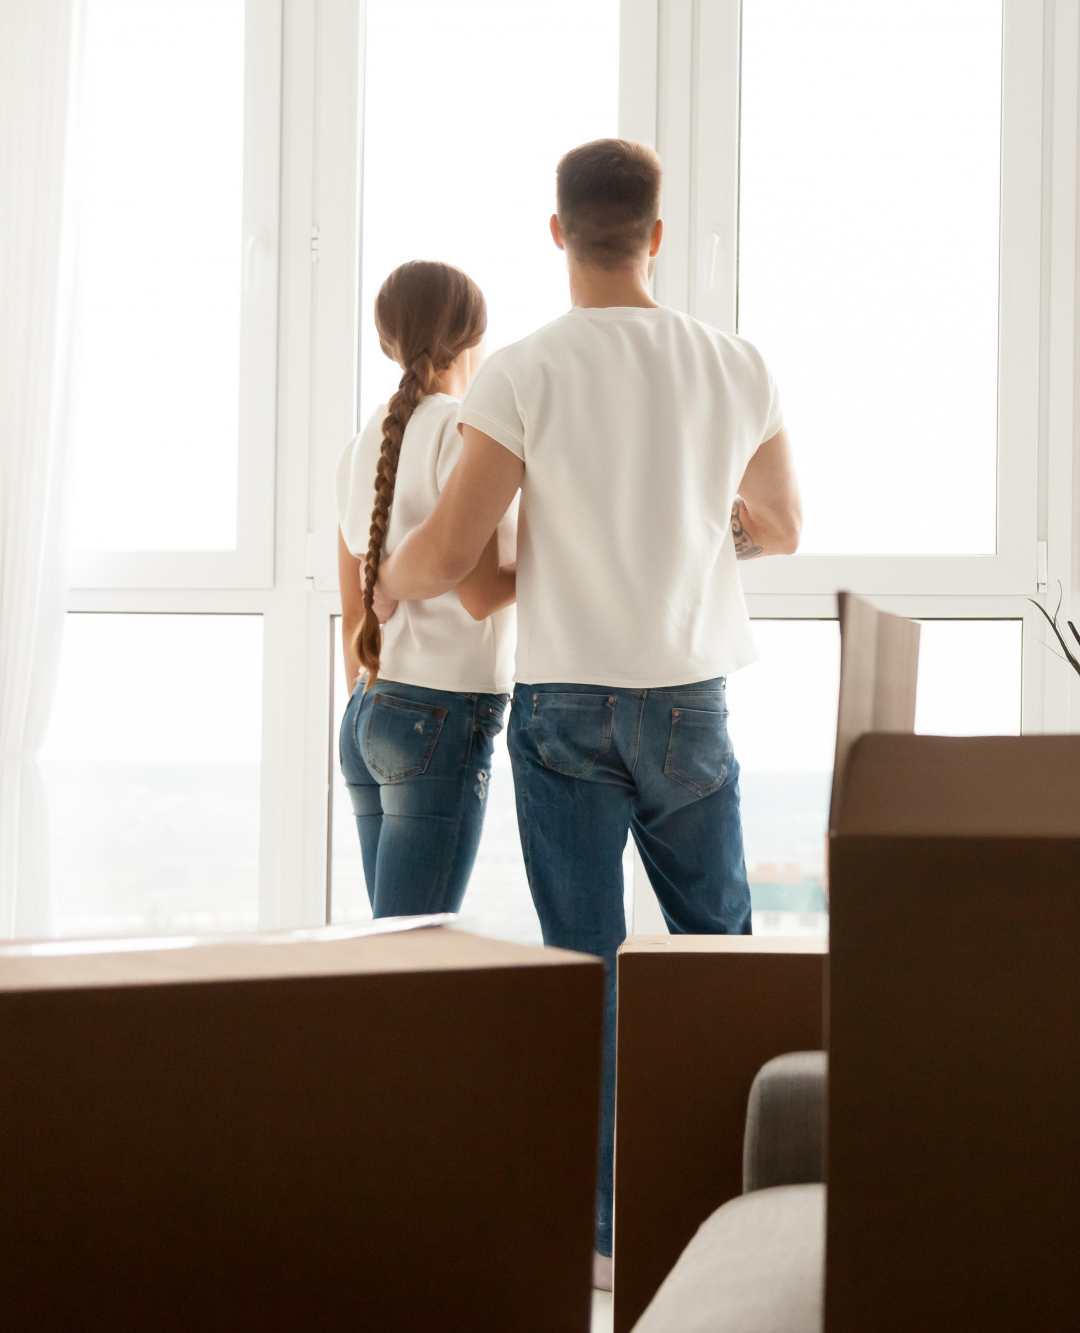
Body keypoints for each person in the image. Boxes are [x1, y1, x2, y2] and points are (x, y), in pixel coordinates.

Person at [379, 139, 803, 1287]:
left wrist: (388, 576)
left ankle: (611, 1238)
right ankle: (734, 1212)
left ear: (557, 234)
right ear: (656, 236)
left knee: (590, 969)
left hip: (564, 705)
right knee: (719, 959)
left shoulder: (521, 369)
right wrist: (691, 519)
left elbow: (455, 548)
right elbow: (779, 521)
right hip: (686, 702)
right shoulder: (733, 362)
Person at [335, 260, 517, 918]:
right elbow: (479, 591)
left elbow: (353, 602)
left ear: (389, 340)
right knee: (414, 963)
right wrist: (563, 558)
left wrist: (373, 700)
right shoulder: (465, 432)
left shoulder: (363, 443)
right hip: (439, 712)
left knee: (395, 952)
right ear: (475, 338)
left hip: (367, 711)